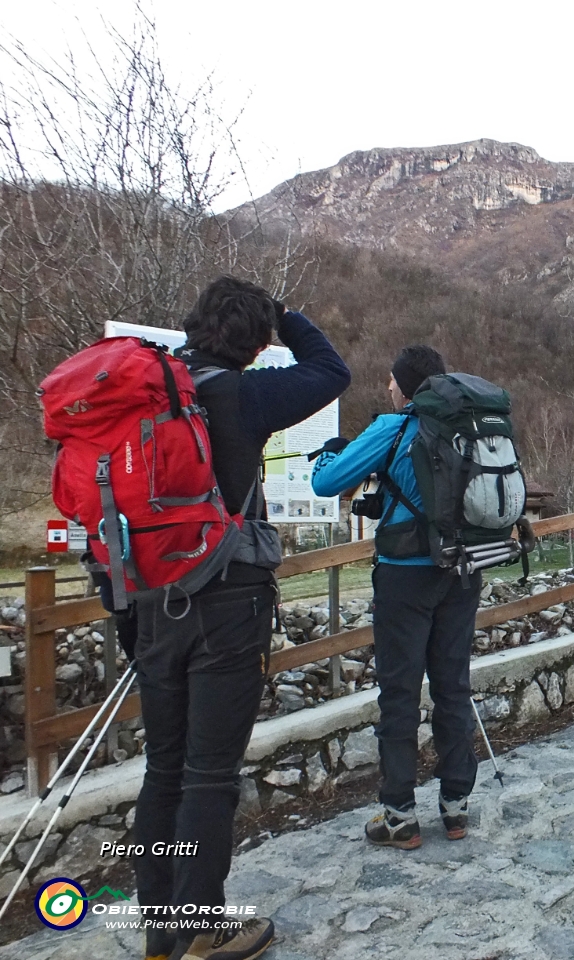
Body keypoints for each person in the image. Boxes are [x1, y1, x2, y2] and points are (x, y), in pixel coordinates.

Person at [133, 277, 349, 960]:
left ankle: (160, 926)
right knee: (208, 773)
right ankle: (204, 926)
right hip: (227, 600)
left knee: (162, 766)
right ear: (255, 343)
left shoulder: (155, 389)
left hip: (149, 600)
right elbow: (331, 371)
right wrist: (286, 315)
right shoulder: (240, 393)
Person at [311, 345, 481, 849]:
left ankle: (400, 816)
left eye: (391, 381)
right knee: (453, 687)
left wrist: (329, 450)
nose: (387, 387)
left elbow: (326, 482)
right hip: (462, 571)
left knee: (400, 694)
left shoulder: (394, 427)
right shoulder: (469, 427)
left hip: (406, 576)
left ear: (405, 387)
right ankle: (455, 809)